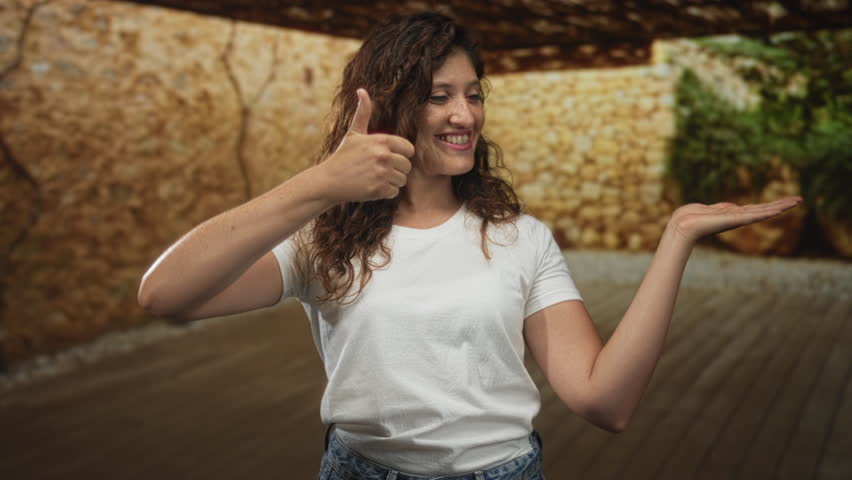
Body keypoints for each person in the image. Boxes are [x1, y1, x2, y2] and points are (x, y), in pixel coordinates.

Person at [138, 12, 802, 480]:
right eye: (439, 97)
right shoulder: (324, 242)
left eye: (473, 95)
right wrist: (318, 184)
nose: (465, 116)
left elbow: (604, 401)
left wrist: (677, 240)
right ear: (392, 107)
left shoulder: (519, 240)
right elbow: (166, 295)